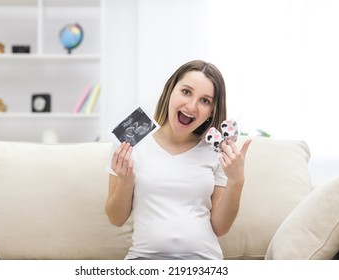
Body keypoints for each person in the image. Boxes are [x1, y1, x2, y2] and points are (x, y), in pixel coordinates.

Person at [105, 60, 252, 260]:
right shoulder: (132, 139)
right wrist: (126, 181)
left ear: (212, 112)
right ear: (170, 90)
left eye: (205, 101)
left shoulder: (215, 150)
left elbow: (221, 227)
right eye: (186, 92)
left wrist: (236, 181)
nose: (191, 106)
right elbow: (116, 218)